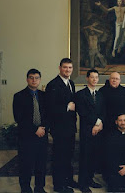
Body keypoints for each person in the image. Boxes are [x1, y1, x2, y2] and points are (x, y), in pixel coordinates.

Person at [13, 69, 48, 193]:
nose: (34, 80)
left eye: (37, 78)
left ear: (40, 80)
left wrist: (43, 128)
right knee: (26, 164)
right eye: (31, 77)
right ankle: (25, 188)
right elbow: (19, 117)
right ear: (27, 79)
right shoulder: (19, 96)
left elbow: (48, 115)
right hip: (26, 136)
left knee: (41, 164)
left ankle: (39, 187)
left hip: (42, 135)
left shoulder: (44, 96)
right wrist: (35, 129)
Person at [45, 58, 78, 192]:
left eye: (70, 68)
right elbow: (50, 107)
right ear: (59, 68)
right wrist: (67, 107)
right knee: (59, 157)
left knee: (69, 156)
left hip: (70, 127)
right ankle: (59, 185)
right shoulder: (53, 84)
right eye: (65, 67)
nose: (67, 70)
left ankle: (68, 180)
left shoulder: (71, 83)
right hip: (59, 128)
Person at [75, 69, 105, 193]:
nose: (94, 79)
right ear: (87, 78)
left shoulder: (100, 94)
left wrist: (100, 124)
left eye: (96, 77)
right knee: (85, 157)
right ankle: (83, 184)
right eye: (92, 77)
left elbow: (104, 111)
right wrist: (96, 123)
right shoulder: (81, 94)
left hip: (98, 130)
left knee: (94, 156)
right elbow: (83, 112)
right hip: (87, 130)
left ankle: (90, 179)